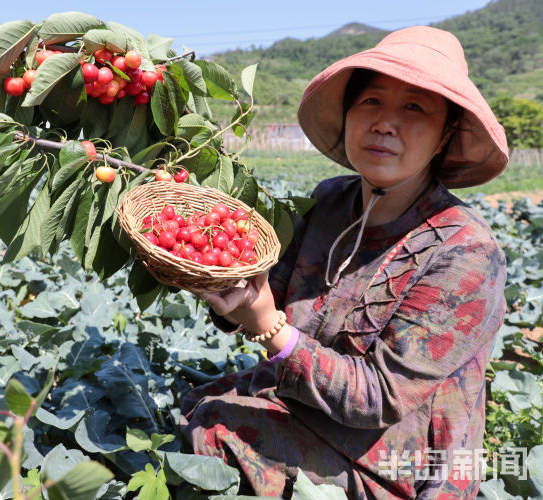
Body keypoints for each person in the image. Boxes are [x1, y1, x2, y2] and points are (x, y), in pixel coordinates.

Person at [179, 26, 508, 499]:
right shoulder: (329, 201)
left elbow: (379, 398)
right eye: (371, 101)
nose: (384, 123)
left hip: (399, 459)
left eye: (414, 108)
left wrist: (270, 327)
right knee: (197, 402)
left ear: (445, 136)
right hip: (311, 406)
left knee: (216, 431)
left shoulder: (466, 251)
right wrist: (209, 267)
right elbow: (263, 288)